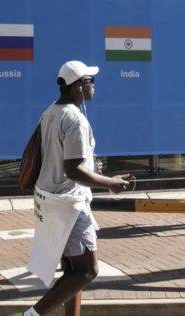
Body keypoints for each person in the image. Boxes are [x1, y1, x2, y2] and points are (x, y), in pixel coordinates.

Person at [23, 60, 133, 316]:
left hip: (49, 199)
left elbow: (59, 159)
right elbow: (73, 171)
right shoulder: (75, 120)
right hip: (69, 204)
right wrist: (111, 183)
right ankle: (31, 315)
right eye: (90, 81)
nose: (94, 86)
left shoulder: (51, 111)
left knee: (72, 270)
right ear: (77, 87)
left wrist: (92, 169)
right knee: (87, 270)